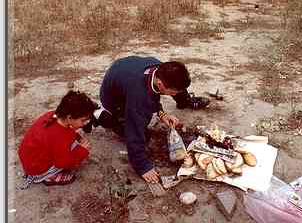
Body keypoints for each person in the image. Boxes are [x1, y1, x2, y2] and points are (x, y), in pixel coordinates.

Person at [83, 56, 210, 184]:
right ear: (160, 84)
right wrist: (142, 166)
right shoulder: (139, 97)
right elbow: (135, 131)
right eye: (173, 92)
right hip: (115, 99)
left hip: (124, 72)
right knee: (143, 135)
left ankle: (185, 102)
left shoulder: (163, 69)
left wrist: (162, 113)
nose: (174, 94)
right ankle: (101, 116)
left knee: (171, 89)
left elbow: (160, 90)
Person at [17, 90, 98, 188]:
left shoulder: (53, 115)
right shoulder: (59, 138)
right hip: (36, 169)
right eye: (83, 120)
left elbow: (68, 131)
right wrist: (82, 152)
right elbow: (62, 162)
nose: (85, 123)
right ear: (69, 118)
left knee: (73, 145)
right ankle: (49, 177)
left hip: (30, 159)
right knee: (74, 151)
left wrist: (77, 137)